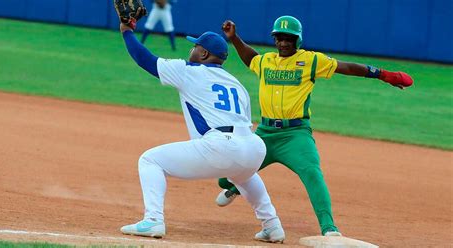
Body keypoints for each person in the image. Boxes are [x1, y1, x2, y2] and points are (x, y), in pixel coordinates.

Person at [215, 16, 413, 237]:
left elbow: (346, 67)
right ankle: (234, 187)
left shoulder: (310, 60)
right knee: (224, 176)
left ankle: (329, 228)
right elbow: (251, 58)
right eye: (279, 38)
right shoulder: (266, 61)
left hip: (295, 135)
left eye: (288, 39)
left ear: (297, 40)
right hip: (264, 134)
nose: (283, 43)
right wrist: (234, 38)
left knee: (312, 174)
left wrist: (384, 75)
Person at [117, 7, 286, 243]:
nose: (192, 49)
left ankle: (153, 220)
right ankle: (272, 225)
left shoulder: (189, 71)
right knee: (243, 174)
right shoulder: (235, 83)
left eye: (196, 46)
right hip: (253, 147)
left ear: (204, 54)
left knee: (150, 160)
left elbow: (145, 59)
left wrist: (127, 32)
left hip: (221, 146)